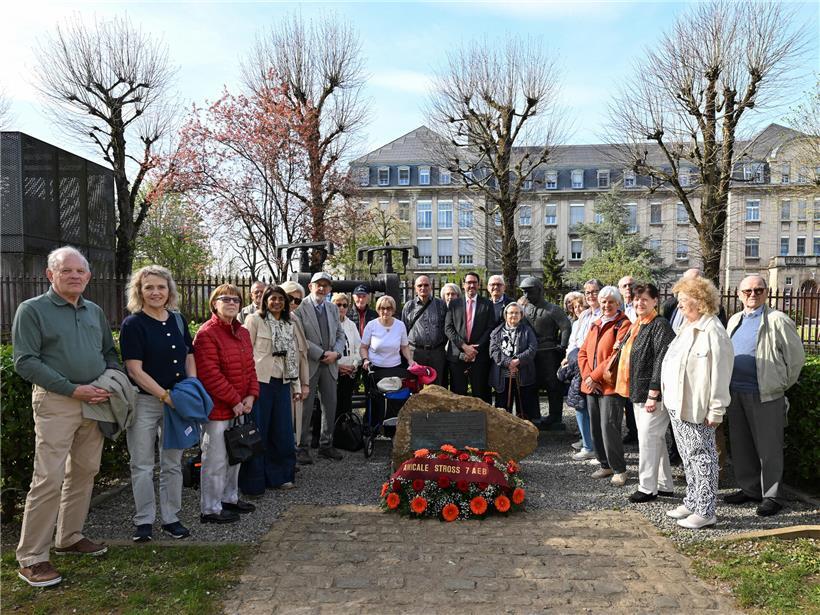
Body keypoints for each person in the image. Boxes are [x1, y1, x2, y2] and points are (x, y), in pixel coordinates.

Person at [12, 247, 119, 587]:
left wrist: (109, 380)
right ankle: (32, 558)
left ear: (88, 276)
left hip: (95, 401)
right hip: (57, 401)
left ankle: (69, 537)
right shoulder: (32, 310)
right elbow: (25, 361)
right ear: (50, 275)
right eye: (66, 270)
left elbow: (108, 352)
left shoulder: (94, 311)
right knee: (48, 478)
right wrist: (72, 389)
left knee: (85, 470)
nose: (74, 276)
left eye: (80, 271)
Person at [120, 265, 196, 542]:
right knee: (141, 464)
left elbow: (189, 354)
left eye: (161, 287)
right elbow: (135, 370)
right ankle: (144, 520)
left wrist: (191, 386)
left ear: (169, 290)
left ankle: (171, 518)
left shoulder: (178, 320)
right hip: (145, 402)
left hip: (177, 402)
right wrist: (165, 396)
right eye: (149, 287)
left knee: (172, 463)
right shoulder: (133, 324)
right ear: (139, 291)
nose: (155, 292)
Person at [724, 275, 805, 516]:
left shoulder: (778, 320)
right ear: (739, 294)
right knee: (741, 445)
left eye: (758, 290)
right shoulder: (735, 320)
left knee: (769, 448)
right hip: (735, 392)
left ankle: (772, 495)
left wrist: (779, 385)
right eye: (747, 291)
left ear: (766, 293)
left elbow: (796, 359)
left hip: (765, 395)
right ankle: (750, 489)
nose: (753, 294)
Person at [661, 276, 733, 529]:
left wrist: (716, 409)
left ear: (700, 301)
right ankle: (692, 500)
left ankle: (705, 510)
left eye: (683, 300)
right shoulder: (687, 327)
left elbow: (721, 374)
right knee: (688, 456)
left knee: (703, 458)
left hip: (697, 407)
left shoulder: (713, 331)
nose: (679, 305)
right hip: (678, 405)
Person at [194, 284, 259, 524]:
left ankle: (229, 498)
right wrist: (234, 400)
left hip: (240, 405)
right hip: (218, 408)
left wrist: (251, 395)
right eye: (226, 299)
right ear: (214, 303)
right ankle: (210, 508)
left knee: (236, 455)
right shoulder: (207, 333)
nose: (232, 303)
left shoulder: (242, 332)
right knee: (216, 459)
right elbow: (209, 374)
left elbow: (250, 367)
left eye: (236, 299)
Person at [240, 285, 309, 495]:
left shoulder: (290, 323)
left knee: (283, 432)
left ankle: (281, 476)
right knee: (259, 430)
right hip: (261, 382)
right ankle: (254, 481)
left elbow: (294, 356)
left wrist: (297, 385)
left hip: (283, 382)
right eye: (273, 298)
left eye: (281, 299)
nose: (277, 302)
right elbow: (245, 353)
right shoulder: (254, 320)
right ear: (265, 301)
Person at [613, 283, 677, 503]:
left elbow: (661, 360)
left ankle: (647, 487)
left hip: (652, 394)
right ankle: (664, 484)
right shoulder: (638, 324)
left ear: (655, 301)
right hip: (638, 391)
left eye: (645, 299)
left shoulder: (659, 325)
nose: (639, 303)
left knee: (648, 439)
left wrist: (653, 393)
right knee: (654, 438)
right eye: (636, 299)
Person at [577, 286, 631, 486]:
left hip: (610, 386)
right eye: (603, 301)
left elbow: (615, 356)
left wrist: (595, 377)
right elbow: (582, 352)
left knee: (609, 427)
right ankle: (604, 464)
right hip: (591, 385)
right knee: (596, 427)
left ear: (618, 303)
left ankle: (619, 469)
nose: (607, 305)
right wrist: (588, 378)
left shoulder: (624, 324)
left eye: (611, 302)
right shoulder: (596, 323)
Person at [294, 272, 347, 463]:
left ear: (330, 288)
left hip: (330, 364)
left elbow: (340, 335)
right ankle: (301, 447)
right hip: (310, 363)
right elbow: (299, 337)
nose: (322, 288)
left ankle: (326, 445)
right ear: (310, 286)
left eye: (326, 285)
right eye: (319, 284)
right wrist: (321, 354)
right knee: (305, 408)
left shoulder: (332, 308)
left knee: (330, 405)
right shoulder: (300, 307)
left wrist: (336, 354)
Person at [519, 276, 572, 429]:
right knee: (532, 384)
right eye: (524, 292)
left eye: (530, 291)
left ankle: (555, 416)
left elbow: (565, 327)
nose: (526, 295)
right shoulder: (524, 310)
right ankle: (534, 415)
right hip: (531, 353)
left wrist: (563, 345)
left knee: (553, 385)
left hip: (549, 353)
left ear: (539, 290)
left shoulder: (553, 309)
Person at [360, 295, 416, 422]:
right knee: (375, 401)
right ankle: (374, 425)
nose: (385, 311)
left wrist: (410, 360)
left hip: (395, 369)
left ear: (393, 310)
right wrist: (365, 359)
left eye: (389, 308)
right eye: (382, 308)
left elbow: (404, 346)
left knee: (394, 401)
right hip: (375, 369)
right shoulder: (371, 325)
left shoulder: (400, 325)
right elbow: (363, 347)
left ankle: (392, 425)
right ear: (378, 309)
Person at [444, 272, 495, 402]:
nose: (471, 285)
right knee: (458, 395)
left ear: (479, 285)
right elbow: (448, 328)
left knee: (481, 395)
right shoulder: (454, 304)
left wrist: (474, 349)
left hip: (479, 356)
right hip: (457, 355)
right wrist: (464, 347)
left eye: (474, 283)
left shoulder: (487, 304)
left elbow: (490, 328)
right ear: (463, 285)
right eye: (469, 283)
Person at [560, 293, 595, 460]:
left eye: (581, 305)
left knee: (586, 405)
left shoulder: (593, 320)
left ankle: (590, 444)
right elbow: (572, 343)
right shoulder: (576, 323)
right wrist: (567, 357)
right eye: (575, 307)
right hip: (575, 365)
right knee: (579, 404)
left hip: (586, 366)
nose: (578, 309)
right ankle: (585, 440)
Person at [489, 303, 539, 419]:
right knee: (502, 410)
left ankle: (524, 429)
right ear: (505, 315)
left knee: (524, 408)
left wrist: (518, 361)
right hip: (502, 375)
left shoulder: (527, 331)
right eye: (511, 313)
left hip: (523, 373)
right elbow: (494, 351)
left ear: (521, 315)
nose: (514, 315)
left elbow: (532, 348)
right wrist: (508, 363)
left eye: (517, 313)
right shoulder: (496, 332)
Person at [402, 275, 447, 387]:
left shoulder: (440, 305)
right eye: (420, 285)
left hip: (437, 352)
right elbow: (404, 330)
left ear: (431, 287)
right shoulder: (409, 306)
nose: (423, 288)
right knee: (415, 386)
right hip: (415, 353)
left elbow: (446, 327)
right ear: (415, 288)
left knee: (437, 387)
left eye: (426, 285)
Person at [280, 281, 310, 443]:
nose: (293, 303)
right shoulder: (265, 319)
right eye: (289, 298)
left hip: (295, 381)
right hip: (277, 382)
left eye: (298, 300)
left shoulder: (295, 319)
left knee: (292, 424)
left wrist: (305, 384)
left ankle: (291, 452)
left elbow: (303, 353)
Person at [617, 276, 639, 445]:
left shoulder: (640, 305)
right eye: (624, 286)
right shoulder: (618, 307)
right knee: (623, 397)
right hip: (620, 357)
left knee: (634, 397)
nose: (628, 288)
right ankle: (631, 431)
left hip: (636, 356)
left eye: (631, 285)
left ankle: (637, 432)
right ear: (619, 289)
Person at [332, 292, 362, 418]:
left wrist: (354, 365)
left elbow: (358, 347)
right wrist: (338, 367)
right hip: (333, 370)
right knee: (334, 404)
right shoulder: (329, 324)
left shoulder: (351, 325)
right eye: (338, 305)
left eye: (345, 305)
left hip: (350, 371)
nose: (342, 308)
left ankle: (346, 427)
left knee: (346, 403)